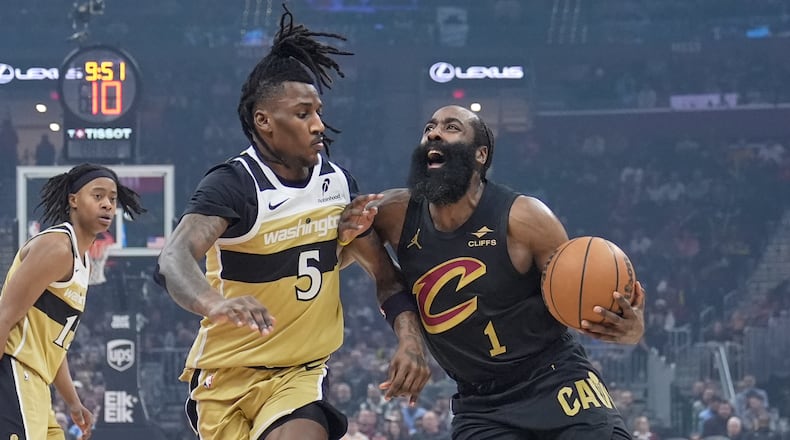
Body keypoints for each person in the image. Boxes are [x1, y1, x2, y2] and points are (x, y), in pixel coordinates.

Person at [155, 6, 428, 440]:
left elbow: (387, 278)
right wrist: (213, 303)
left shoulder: (338, 186)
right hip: (224, 377)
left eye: (318, 111)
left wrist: (410, 341)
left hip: (299, 375)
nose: (319, 125)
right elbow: (174, 259)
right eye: (303, 114)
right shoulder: (235, 185)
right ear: (264, 121)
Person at [371, 105, 646, 439]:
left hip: (556, 380)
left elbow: (579, 299)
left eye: (451, 127)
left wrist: (630, 330)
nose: (434, 133)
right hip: (480, 404)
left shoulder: (525, 218)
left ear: (480, 155)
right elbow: (374, 270)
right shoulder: (392, 214)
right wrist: (409, 337)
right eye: (429, 127)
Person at [0, 163, 145, 439]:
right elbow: (4, 316)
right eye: (98, 196)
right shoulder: (56, 247)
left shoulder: (83, 262)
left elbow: (55, 345)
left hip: (38, 384)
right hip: (16, 374)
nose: (107, 204)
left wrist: (73, 402)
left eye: (112, 199)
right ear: (73, 200)